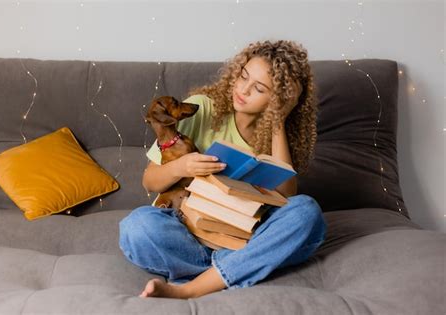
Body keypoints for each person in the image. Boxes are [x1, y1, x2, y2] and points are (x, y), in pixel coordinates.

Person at [119, 39, 327, 299]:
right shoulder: (201, 109)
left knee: (306, 212)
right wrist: (182, 166)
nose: (244, 90)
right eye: (243, 77)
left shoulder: (280, 135)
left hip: (245, 235)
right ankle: (241, 267)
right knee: (136, 227)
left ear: (277, 100)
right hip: (189, 231)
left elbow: (286, 198)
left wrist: (278, 120)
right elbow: (149, 182)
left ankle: (193, 287)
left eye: (259, 88)